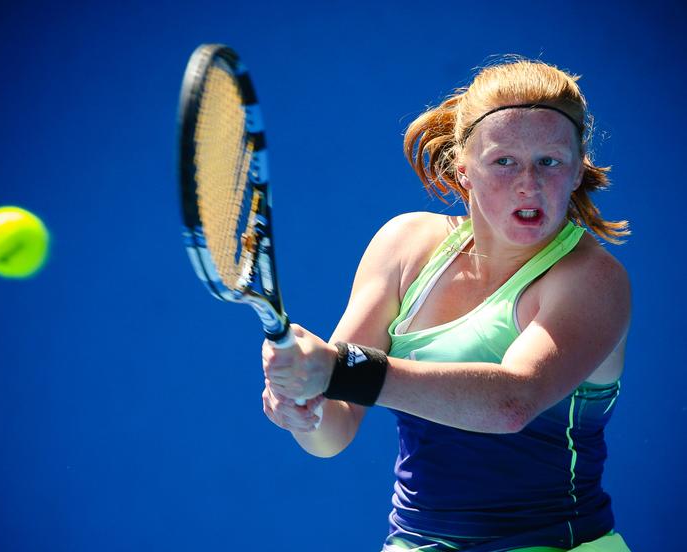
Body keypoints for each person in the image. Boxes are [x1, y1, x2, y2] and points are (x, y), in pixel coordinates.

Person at [261, 58, 632, 551]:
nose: (529, 182)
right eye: (504, 161)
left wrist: (338, 369)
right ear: (464, 170)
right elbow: (333, 430)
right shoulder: (405, 246)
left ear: (578, 169)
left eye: (550, 161)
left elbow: (512, 402)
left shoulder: (593, 279)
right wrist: (302, 404)